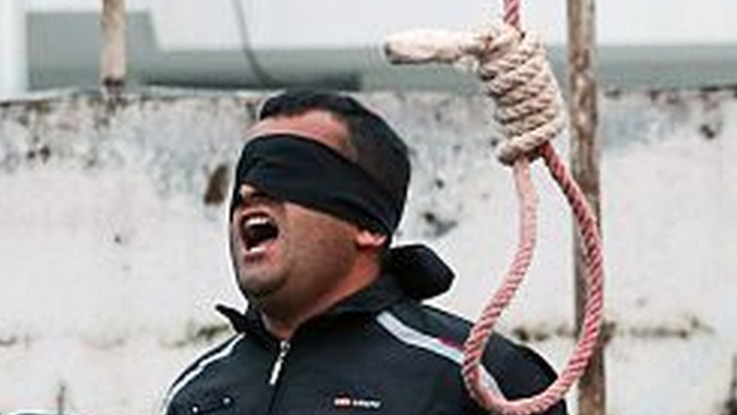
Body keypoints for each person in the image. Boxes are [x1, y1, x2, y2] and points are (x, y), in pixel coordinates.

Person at [161, 90, 567, 415]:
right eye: (245, 176)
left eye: (287, 171)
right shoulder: (197, 392)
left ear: (369, 226)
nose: (250, 191)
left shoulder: (481, 380)